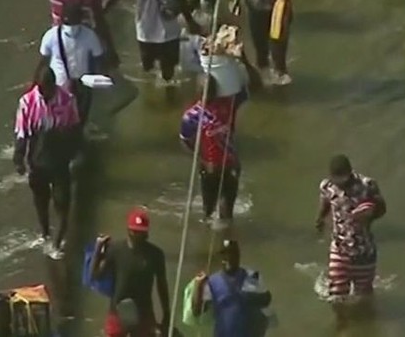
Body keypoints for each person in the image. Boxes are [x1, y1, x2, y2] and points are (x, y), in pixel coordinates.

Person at [13, 68, 81, 260]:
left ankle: (58, 243)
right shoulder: (27, 102)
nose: (48, 94)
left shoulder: (67, 99)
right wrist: (19, 158)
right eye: (45, 90)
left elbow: (75, 128)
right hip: (38, 160)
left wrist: (74, 152)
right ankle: (45, 235)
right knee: (41, 201)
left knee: (63, 202)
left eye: (51, 89)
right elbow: (22, 133)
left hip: (60, 159)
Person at [315, 155, 386, 317]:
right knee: (336, 295)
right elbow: (325, 202)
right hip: (339, 248)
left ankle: (365, 324)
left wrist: (371, 212)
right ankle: (342, 325)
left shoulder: (367, 185)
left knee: (364, 295)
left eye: (342, 177)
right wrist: (319, 219)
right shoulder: (327, 186)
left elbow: (382, 208)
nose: (340, 183)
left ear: (350, 172)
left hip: (363, 250)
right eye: (336, 178)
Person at [94, 207, 172, 337]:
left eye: (141, 232)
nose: (138, 236)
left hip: (144, 313)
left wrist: (167, 314)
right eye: (135, 231)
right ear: (128, 230)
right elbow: (96, 276)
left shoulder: (156, 254)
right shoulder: (115, 249)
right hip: (117, 312)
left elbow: (162, 286)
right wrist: (98, 251)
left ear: (146, 233)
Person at [179, 75, 242, 230]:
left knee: (227, 210)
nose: (209, 93)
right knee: (209, 212)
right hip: (210, 168)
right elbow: (185, 140)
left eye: (212, 90)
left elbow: (244, 91)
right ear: (198, 91)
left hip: (230, 164)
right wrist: (201, 158)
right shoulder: (191, 115)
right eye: (205, 90)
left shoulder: (227, 105)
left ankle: (227, 238)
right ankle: (208, 242)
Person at [37, 2, 105, 129]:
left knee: (80, 118)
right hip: (58, 86)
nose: (72, 26)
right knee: (58, 120)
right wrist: (36, 84)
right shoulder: (51, 36)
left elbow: (99, 58)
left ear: (80, 20)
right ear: (62, 20)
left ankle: (77, 138)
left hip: (83, 84)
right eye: (69, 22)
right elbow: (43, 62)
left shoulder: (90, 36)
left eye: (75, 22)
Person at [192, 239, 273, 337]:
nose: (228, 258)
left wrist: (247, 298)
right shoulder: (212, 282)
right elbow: (197, 311)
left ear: (238, 255)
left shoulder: (252, 276)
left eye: (232, 254)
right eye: (224, 255)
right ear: (219, 258)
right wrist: (199, 285)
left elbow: (266, 299)